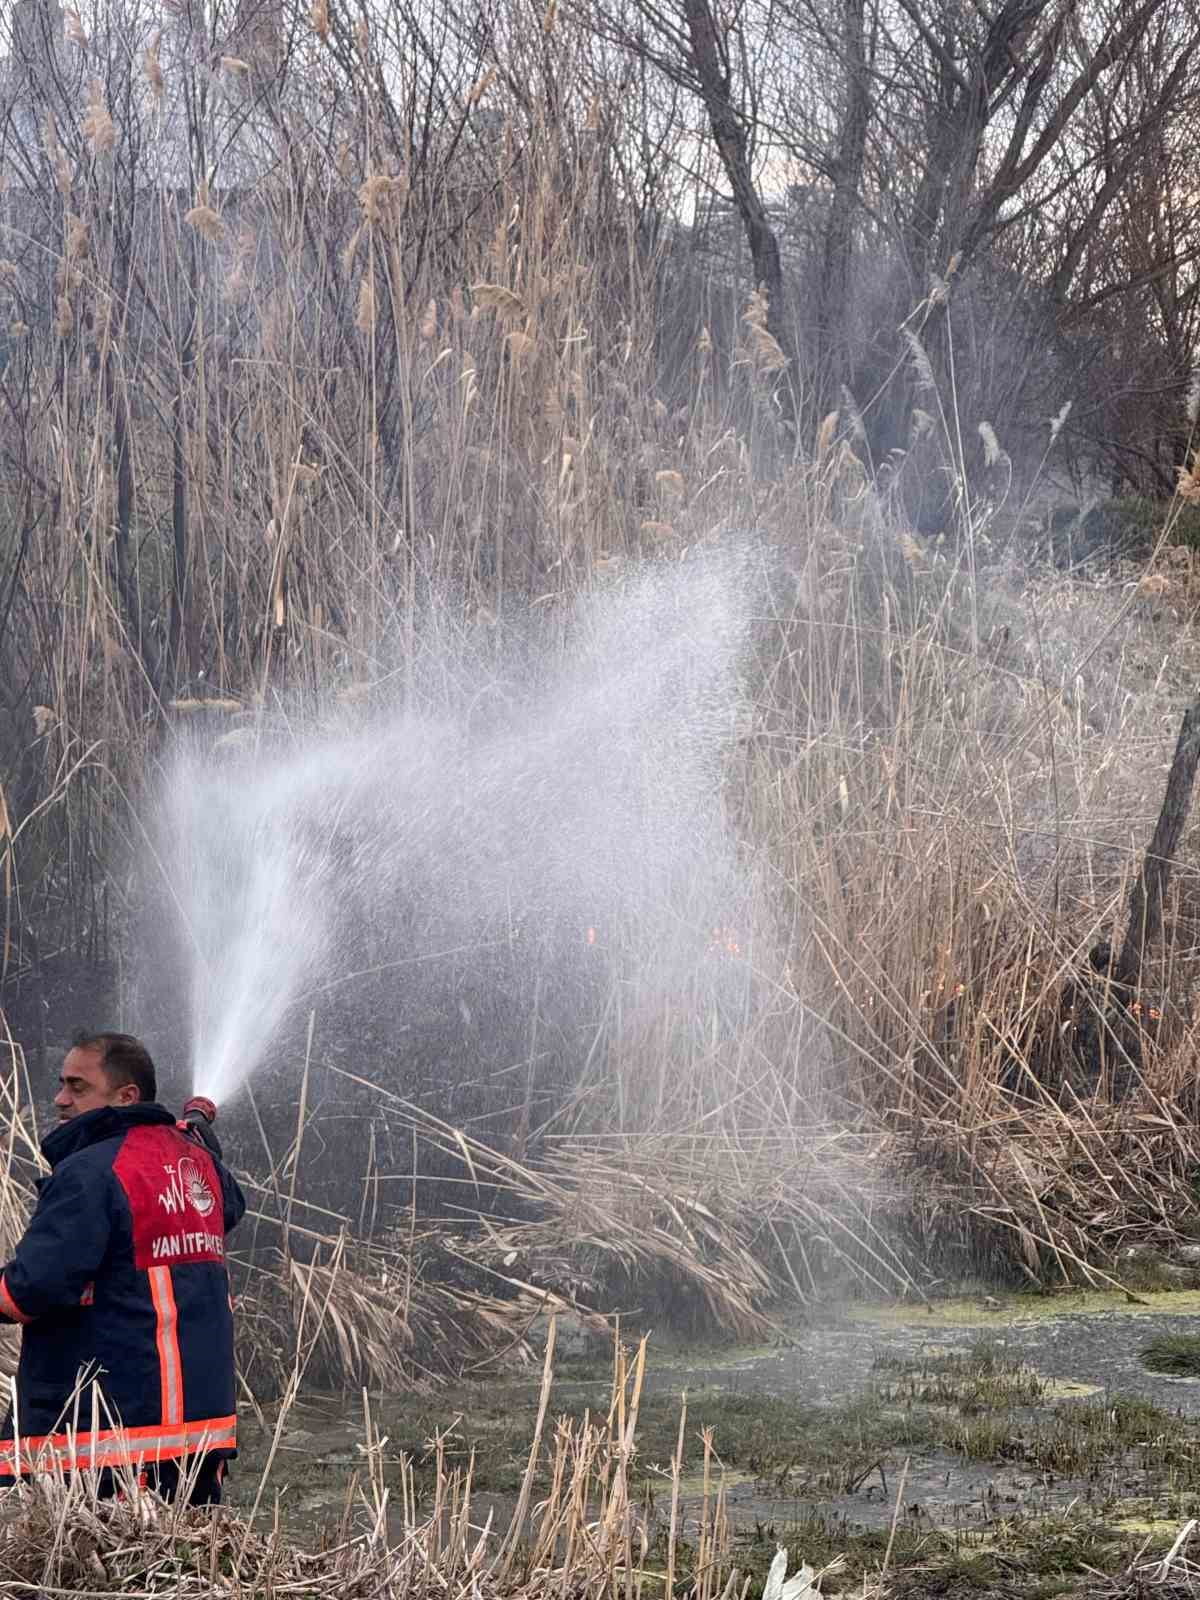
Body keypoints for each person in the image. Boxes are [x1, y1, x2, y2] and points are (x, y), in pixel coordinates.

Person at [0, 1031, 245, 1504]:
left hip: (107, 1440)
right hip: (196, 1435)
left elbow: (29, 1291)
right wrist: (199, 1150)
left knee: (88, 1574)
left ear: (126, 1096)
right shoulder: (198, 1166)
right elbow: (228, 1206)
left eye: (77, 1086)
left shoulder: (90, 1173)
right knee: (180, 1572)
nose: (60, 1099)